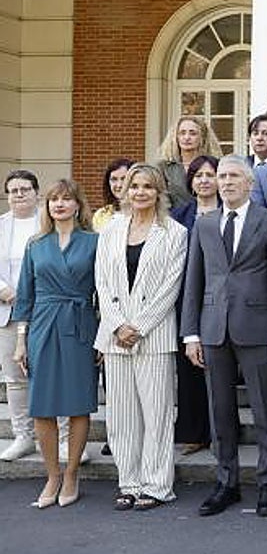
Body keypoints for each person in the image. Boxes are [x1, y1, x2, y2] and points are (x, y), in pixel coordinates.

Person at [180, 155, 267, 518]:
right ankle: (226, 482)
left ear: (249, 183)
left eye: (232, 176)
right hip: (213, 329)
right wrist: (190, 334)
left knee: (265, 410)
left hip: (257, 328)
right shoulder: (206, 224)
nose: (225, 182)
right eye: (221, 176)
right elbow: (193, 282)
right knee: (220, 411)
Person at [94, 163, 188, 510]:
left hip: (154, 335)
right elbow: (102, 283)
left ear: (159, 191)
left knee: (157, 414)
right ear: (125, 191)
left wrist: (140, 326)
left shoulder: (175, 232)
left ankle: (157, 485)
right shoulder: (110, 231)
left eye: (148, 186)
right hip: (116, 336)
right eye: (134, 186)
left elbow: (170, 287)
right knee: (121, 416)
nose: (140, 192)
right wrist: (118, 324)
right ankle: (129, 482)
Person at [11, 179, 99, 508]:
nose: (59, 204)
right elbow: (25, 297)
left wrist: (102, 336)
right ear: (47, 206)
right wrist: (21, 341)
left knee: (78, 403)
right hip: (42, 327)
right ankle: (52, 475)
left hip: (80, 325)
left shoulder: (94, 242)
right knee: (42, 406)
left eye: (66, 199)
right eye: (53, 200)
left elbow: (102, 291)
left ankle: (72, 473)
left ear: (78, 205)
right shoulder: (36, 244)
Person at [169, 155, 219, 455]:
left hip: (220, 296)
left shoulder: (230, 211)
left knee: (219, 367)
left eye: (210, 174)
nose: (204, 180)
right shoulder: (180, 215)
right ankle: (193, 431)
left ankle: (221, 429)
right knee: (189, 368)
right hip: (186, 295)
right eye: (198, 175)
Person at [0, 169, 41, 461]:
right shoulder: (1, 225)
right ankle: (23, 436)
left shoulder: (48, 222)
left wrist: (30, 295)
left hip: (43, 310)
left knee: (51, 374)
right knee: (15, 378)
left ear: (36, 192)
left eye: (25, 189)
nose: (19, 195)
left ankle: (60, 437)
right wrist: (4, 290)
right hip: (7, 311)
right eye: (13, 190)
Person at [157, 115, 223, 210]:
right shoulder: (163, 167)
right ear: (176, 137)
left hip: (209, 218)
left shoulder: (216, 164)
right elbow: (162, 200)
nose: (187, 137)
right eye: (182, 133)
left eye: (193, 133)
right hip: (174, 219)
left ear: (202, 137)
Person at [92, 158, 134, 232]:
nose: (119, 185)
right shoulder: (101, 215)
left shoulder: (144, 211)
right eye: (114, 179)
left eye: (124, 179)